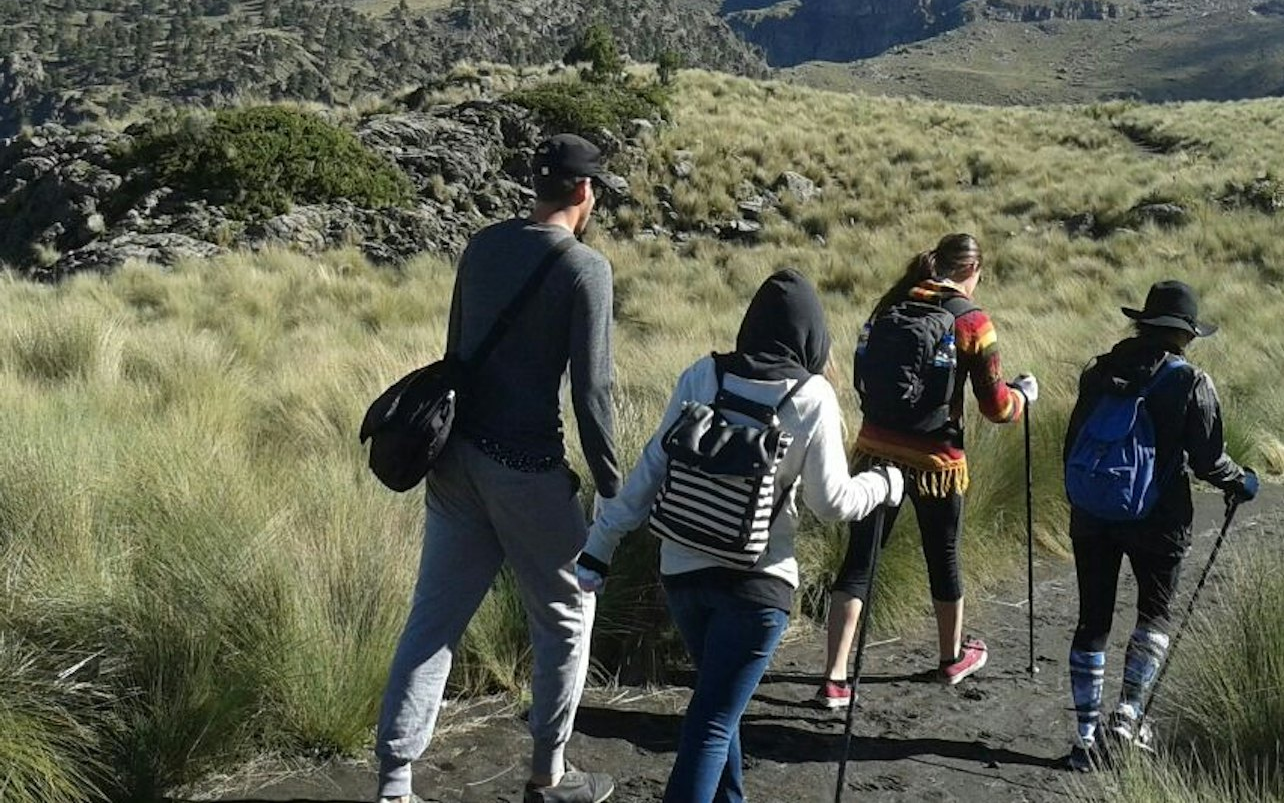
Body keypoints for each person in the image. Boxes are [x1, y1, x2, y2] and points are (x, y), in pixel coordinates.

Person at [575, 268, 903, 803]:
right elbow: (831, 504)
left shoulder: (702, 375)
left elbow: (650, 469)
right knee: (712, 720)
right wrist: (883, 485)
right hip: (757, 587)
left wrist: (598, 549)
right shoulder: (812, 395)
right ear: (812, 335)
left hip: (683, 573)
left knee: (716, 706)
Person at [375, 134, 623, 803]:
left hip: (455, 462)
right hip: (528, 468)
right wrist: (612, 486)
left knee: (433, 622)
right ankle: (549, 775)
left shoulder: (483, 244)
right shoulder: (585, 269)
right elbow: (593, 391)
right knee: (567, 616)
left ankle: (395, 783)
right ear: (583, 191)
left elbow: (455, 353)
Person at [816, 232, 1036, 705]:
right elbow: (997, 407)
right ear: (972, 270)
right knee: (943, 554)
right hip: (937, 461)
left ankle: (834, 678)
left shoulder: (890, 304)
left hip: (875, 450)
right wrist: (1024, 396)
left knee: (859, 560)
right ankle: (951, 657)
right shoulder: (972, 320)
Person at [1062, 280, 1258, 772]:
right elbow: (1209, 460)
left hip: (1092, 512)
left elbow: (1073, 443)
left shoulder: (1099, 371)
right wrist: (1242, 482)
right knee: (1154, 614)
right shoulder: (1190, 381)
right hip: (1159, 518)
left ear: (1144, 323)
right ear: (1186, 334)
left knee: (1092, 620)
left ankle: (1085, 738)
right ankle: (1129, 716)